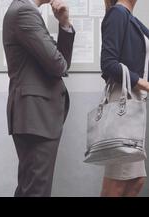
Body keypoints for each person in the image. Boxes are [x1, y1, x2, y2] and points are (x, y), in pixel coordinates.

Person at [2, 0, 75, 197]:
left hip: (35, 114)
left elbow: (61, 64)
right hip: (35, 114)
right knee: (36, 190)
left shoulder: (23, 11)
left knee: (31, 188)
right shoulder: (24, 11)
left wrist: (65, 24)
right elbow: (59, 65)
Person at [100, 0, 148, 197]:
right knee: (118, 182)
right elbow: (108, 64)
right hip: (124, 102)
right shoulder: (117, 14)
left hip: (134, 104)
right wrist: (143, 83)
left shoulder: (130, 19)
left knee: (136, 181)